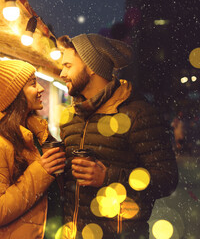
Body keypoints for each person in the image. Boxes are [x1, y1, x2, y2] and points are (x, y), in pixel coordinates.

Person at [57, 34, 179, 238]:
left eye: (68, 65)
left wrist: (108, 177)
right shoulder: (71, 117)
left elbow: (167, 179)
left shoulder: (137, 113)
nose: (62, 73)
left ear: (91, 67)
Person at [0, 60, 66, 238]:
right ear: (15, 94)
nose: (41, 89)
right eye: (33, 84)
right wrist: (41, 172)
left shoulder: (35, 133)